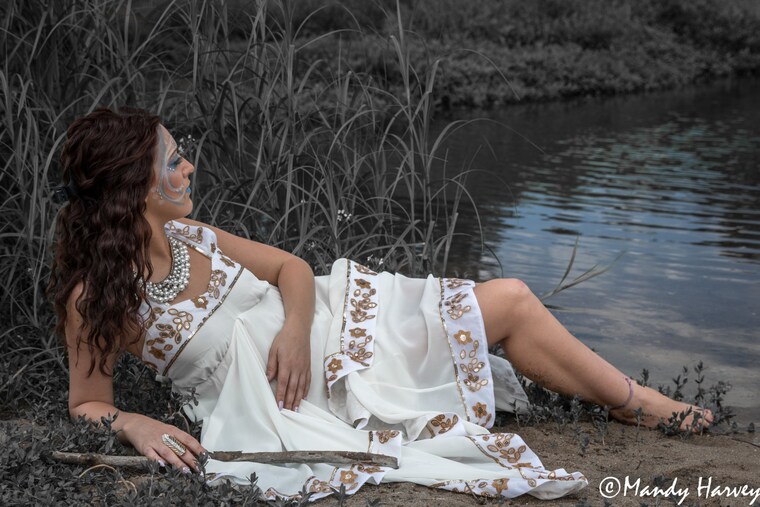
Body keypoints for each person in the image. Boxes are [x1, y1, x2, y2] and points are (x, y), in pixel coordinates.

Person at [48, 107, 712, 503]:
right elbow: (86, 402)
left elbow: (289, 268)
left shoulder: (192, 235)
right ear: (134, 186)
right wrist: (132, 423)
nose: (189, 167)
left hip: (342, 333)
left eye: (182, 155)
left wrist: (296, 326)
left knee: (509, 298)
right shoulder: (96, 297)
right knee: (504, 306)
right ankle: (633, 403)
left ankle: (637, 402)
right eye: (173, 161)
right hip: (291, 404)